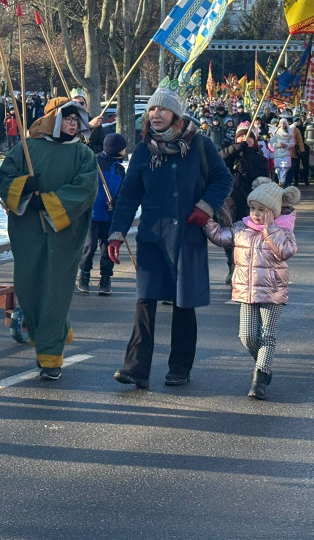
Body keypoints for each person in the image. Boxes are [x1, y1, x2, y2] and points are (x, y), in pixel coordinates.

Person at [108, 85, 232, 389]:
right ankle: (135, 368)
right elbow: (128, 196)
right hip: (152, 237)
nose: (155, 114)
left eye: (161, 109)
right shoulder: (143, 151)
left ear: (176, 115)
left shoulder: (200, 145)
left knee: (183, 303)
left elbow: (222, 179)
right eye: (152, 110)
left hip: (188, 238)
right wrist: (115, 233)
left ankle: (180, 367)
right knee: (145, 302)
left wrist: (205, 208)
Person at [0, 97, 98, 380]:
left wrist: (50, 202)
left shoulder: (83, 153)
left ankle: (50, 358)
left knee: (55, 290)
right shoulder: (25, 149)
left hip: (65, 233)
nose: (73, 124)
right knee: (28, 288)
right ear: (54, 119)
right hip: (27, 231)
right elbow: (4, 178)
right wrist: (23, 189)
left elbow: (87, 188)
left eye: (76, 120)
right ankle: (54, 332)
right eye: (68, 118)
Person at [204, 177, 299, 400]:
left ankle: (260, 378)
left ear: (273, 211)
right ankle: (264, 364)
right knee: (246, 335)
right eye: (253, 208)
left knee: (267, 335)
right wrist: (206, 220)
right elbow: (220, 236)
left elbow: (285, 251)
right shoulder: (242, 227)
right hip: (247, 291)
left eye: (262, 209)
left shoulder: (283, 230)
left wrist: (269, 228)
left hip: (273, 292)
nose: (256, 213)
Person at [216, 121, 271, 284]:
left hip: (250, 203)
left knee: (246, 239)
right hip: (229, 200)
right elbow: (219, 159)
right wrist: (236, 148)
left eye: (248, 136)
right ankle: (232, 267)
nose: (244, 139)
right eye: (241, 136)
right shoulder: (230, 153)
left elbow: (261, 178)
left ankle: (245, 268)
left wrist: (244, 167)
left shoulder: (259, 158)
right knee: (229, 237)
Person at [79, 133, 127, 296]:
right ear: (115, 150)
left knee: (108, 248)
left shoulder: (120, 169)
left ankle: (105, 278)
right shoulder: (95, 164)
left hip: (110, 216)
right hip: (93, 214)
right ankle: (84, 274)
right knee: (90, 245)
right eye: (122, 148)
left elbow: (123, 191)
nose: (125, 151)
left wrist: (117, 202)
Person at [270, 119, 294, 185]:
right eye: (281, 123)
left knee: (285, 169)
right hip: (278, 154)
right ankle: (280, 182)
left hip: (286, 154)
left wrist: (285, 145)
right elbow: (272, 141)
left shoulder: (290, 133)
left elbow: (292, 143)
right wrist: (276, 145)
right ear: (279, 124)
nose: (282, 125)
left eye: (284, 123)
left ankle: (283, 183)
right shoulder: (276, 133)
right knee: (278, 170)